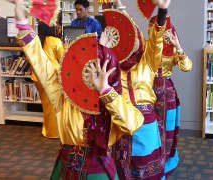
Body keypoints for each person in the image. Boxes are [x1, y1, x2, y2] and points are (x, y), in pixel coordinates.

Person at [13, 0, 145, 178]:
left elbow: (133, 123)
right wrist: (21, 19)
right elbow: (40, 62)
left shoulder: (115, 99)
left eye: (98, 71)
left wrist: (105, 90)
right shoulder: (65, 95)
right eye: (87, 69)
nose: (91, 77)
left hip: (98, 172)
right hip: (67, 168)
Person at [112, 0, 171, 179]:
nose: (131, 43)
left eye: (134, 38)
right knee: (123, 167)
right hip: (122, 123)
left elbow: (156, 40)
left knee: (148, 168)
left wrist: (162, 11)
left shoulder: (148, 61)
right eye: (126, 39)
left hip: (146, 124)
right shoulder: (115, 65)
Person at [149, 16, 192, 178]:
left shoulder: (171, 48)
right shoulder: (147, 47)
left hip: (166, 91)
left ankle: (165, 160)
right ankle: (151, 159)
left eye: (153, 28)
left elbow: (187, 67)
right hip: (148, 90)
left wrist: (178, 46)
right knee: (151, 128)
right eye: (150, 28)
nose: (150, 31)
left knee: (167, 128)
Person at [31, 15, 64, 138]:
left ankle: (47, 128)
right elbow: (62, 58)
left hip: (37, 76)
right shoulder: (55, 41)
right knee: (53, 105)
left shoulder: (36, 41)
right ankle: (53, 132)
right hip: (51, 77)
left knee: (46, 104)